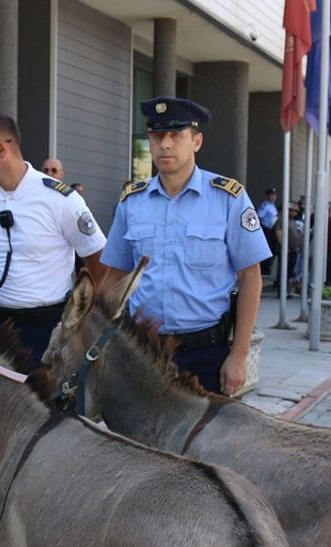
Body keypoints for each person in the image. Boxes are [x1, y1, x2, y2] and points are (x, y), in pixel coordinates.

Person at [0, 110, 107, 547]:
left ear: (2, 147)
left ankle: (62, 534)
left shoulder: (59, 199)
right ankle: (14, 531)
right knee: (4, 432)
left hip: (48, 329)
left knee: (55, 432)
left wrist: (85, 322)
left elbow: (97, 260)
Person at [102, 96, 269, 397]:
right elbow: (115, 277)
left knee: (201, 444)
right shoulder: (132, 202)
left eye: (175, 135)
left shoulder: (228, 198)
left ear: (197, 141)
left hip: (205, 356)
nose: (165, 144)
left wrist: (239, 356)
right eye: (157, 136)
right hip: (143, 352)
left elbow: (250, 277)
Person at [258, 187, 279, 278]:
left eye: (274, 195)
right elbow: (260, 216)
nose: (273, 197)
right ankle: (264, 268)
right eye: (271, 195)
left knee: (271, 250)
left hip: (272, 230)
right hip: (267, 229)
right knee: (266, 249)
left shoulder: (273, 206)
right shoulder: (265, 205)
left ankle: (267, 267)